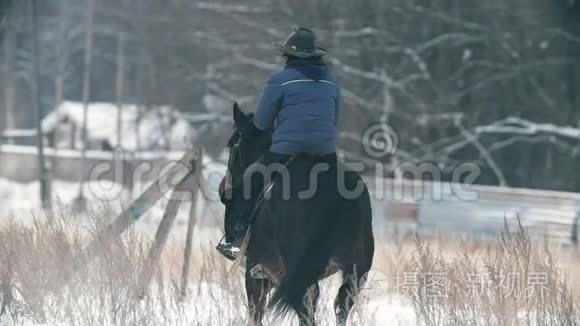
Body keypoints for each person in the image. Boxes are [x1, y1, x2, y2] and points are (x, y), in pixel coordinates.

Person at [217, 27, 341, 258]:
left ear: (289, 57)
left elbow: (262, 123)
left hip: (286, 152)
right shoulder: (332, 83)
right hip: (325, 154)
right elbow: (335, 120)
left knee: (248, 181)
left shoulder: (280, 80)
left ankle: (236, 240)